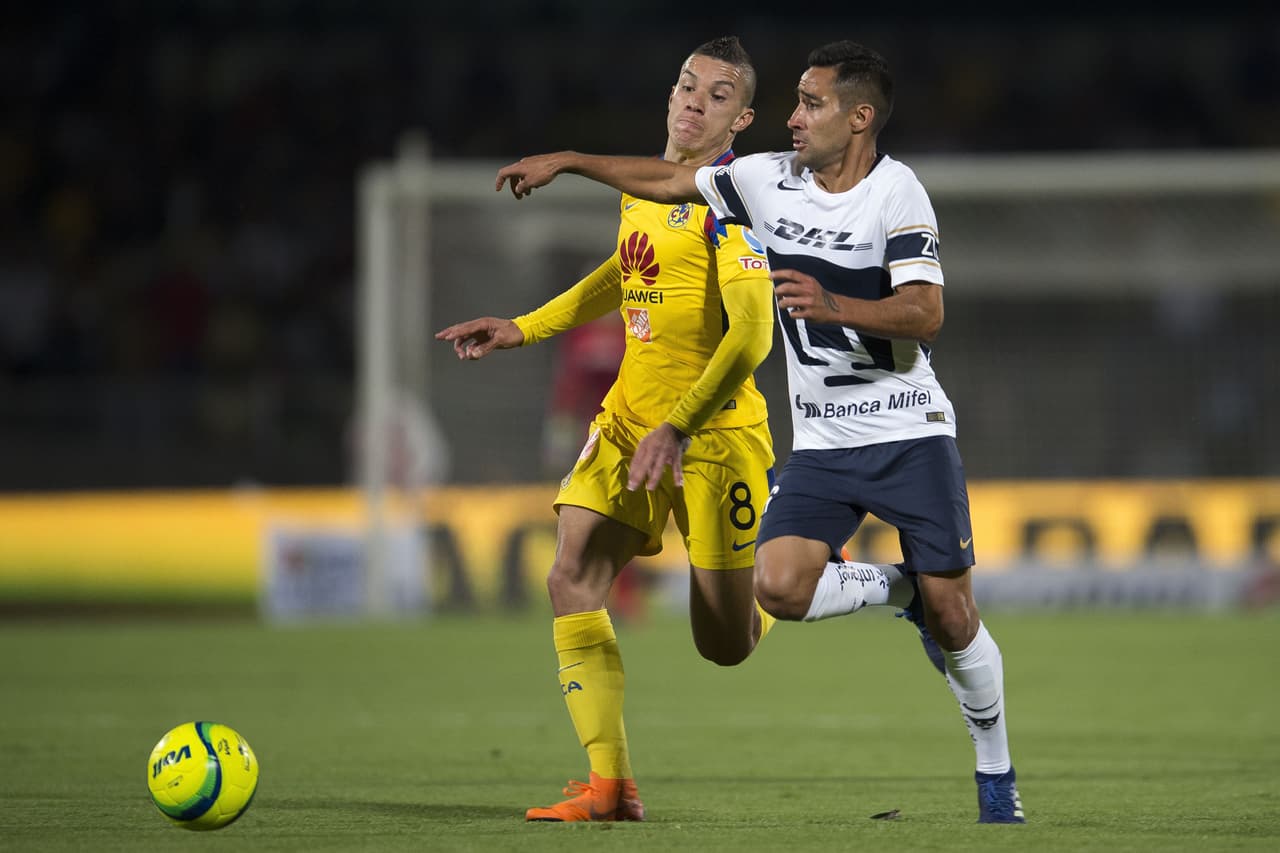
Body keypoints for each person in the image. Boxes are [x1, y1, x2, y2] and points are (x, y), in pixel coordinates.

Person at [493, 40, 1026, 824]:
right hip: (814, 438)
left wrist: (831, 306)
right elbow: (661, 202)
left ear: (860, 117)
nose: (795, 115)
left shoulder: (897, 194)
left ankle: (994, 772)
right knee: (763, 587)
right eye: (795, 102)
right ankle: (610, 785)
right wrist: (566, 162)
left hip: (903, 429)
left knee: (929, 617)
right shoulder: (761, 178)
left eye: (811, 103)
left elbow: (924, 312)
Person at [437, 36, 779, 823]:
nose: (695, 102)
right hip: (628, 421)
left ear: (743, 119)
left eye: (717, 95)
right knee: (572, 573)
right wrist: (524, 326)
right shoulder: (644, 190)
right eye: (687, 86)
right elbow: (626, 271)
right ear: (670, 94)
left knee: (724, 645)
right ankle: (610, 786)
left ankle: (775, 586)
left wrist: (682, 426)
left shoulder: (733, 205)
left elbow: (753, 336)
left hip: (714, 439)